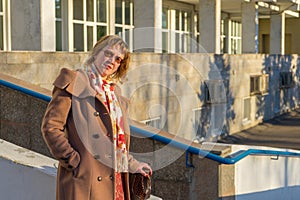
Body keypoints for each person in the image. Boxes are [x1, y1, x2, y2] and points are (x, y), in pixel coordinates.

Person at [41, 35, 152, 200]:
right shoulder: (72, 81)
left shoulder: (115, 95)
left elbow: (115, 144)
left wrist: (134, 165)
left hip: (116, 183)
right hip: (84, 183)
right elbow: (51, 127)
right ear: (96, 53)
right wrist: (73, 161)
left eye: (118, 59)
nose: (112, 61)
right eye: (108, 53)